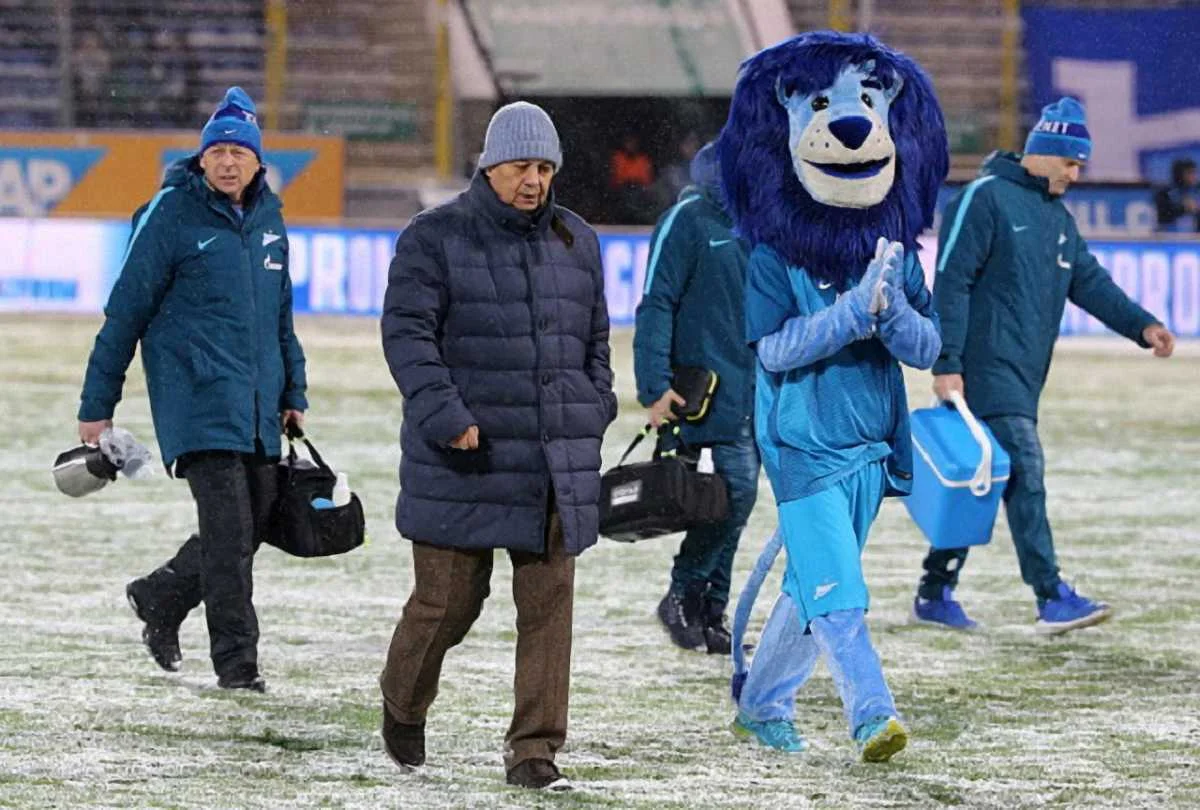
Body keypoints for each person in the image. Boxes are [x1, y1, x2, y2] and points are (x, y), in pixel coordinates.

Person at [378, 101, 616, 792]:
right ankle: (403, 699)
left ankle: (534, 752)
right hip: (464, 457)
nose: (534, 180)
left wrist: (595, 404)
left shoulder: (579, 240)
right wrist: (445, 414)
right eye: (521, 167)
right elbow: (408, 337)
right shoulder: (434, 237)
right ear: (490, 165)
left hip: (552, 463)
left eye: (545, 168)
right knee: (447, 605)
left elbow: (595, 341)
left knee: (549, 611)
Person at [913, 97, 1176, 635]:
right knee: (1026, 474)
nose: (1077, 175)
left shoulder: (1057, 218)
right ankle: (1051, 594)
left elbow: (1090, 283)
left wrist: (1142, 325)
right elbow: (952, 279)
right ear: (1046, 153)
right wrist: (947, 360)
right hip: (986, 371)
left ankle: (935, 589)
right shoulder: (984, 198)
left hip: (1024, 377)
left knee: (981, 481)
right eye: (1072, 163)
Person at [78, 87, 307, 692]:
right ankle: (239, 668)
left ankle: (160, 596)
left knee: (250, 526)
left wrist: (294, 393)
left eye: (240, 151)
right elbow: (124, 313)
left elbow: (280, 319)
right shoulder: (170, 214)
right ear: (201, 159)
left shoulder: (270, 221)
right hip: (197, 401)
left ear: (259, 162)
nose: (229, 162)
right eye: (219, 151)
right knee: (231, 535)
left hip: (257, 405)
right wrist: (96, 409)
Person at [633, 141, 758, 655]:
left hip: (755, 391)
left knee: (734, 502)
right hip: (703, 394)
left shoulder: (763, 225)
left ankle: (710, 610)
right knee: (736, 494)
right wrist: (653, 384)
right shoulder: (686, 220)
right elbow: (655, 303)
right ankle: (685, 592)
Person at [1153, 158, 1198, 233]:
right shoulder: (1165, 192)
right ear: (1180, 174)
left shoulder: (1196, 191)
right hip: (1170, 236)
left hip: (1192, 237)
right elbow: (1163, 216)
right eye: (1189, 173)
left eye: (1194, 173)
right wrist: (1184, 208)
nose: (1194, 176)